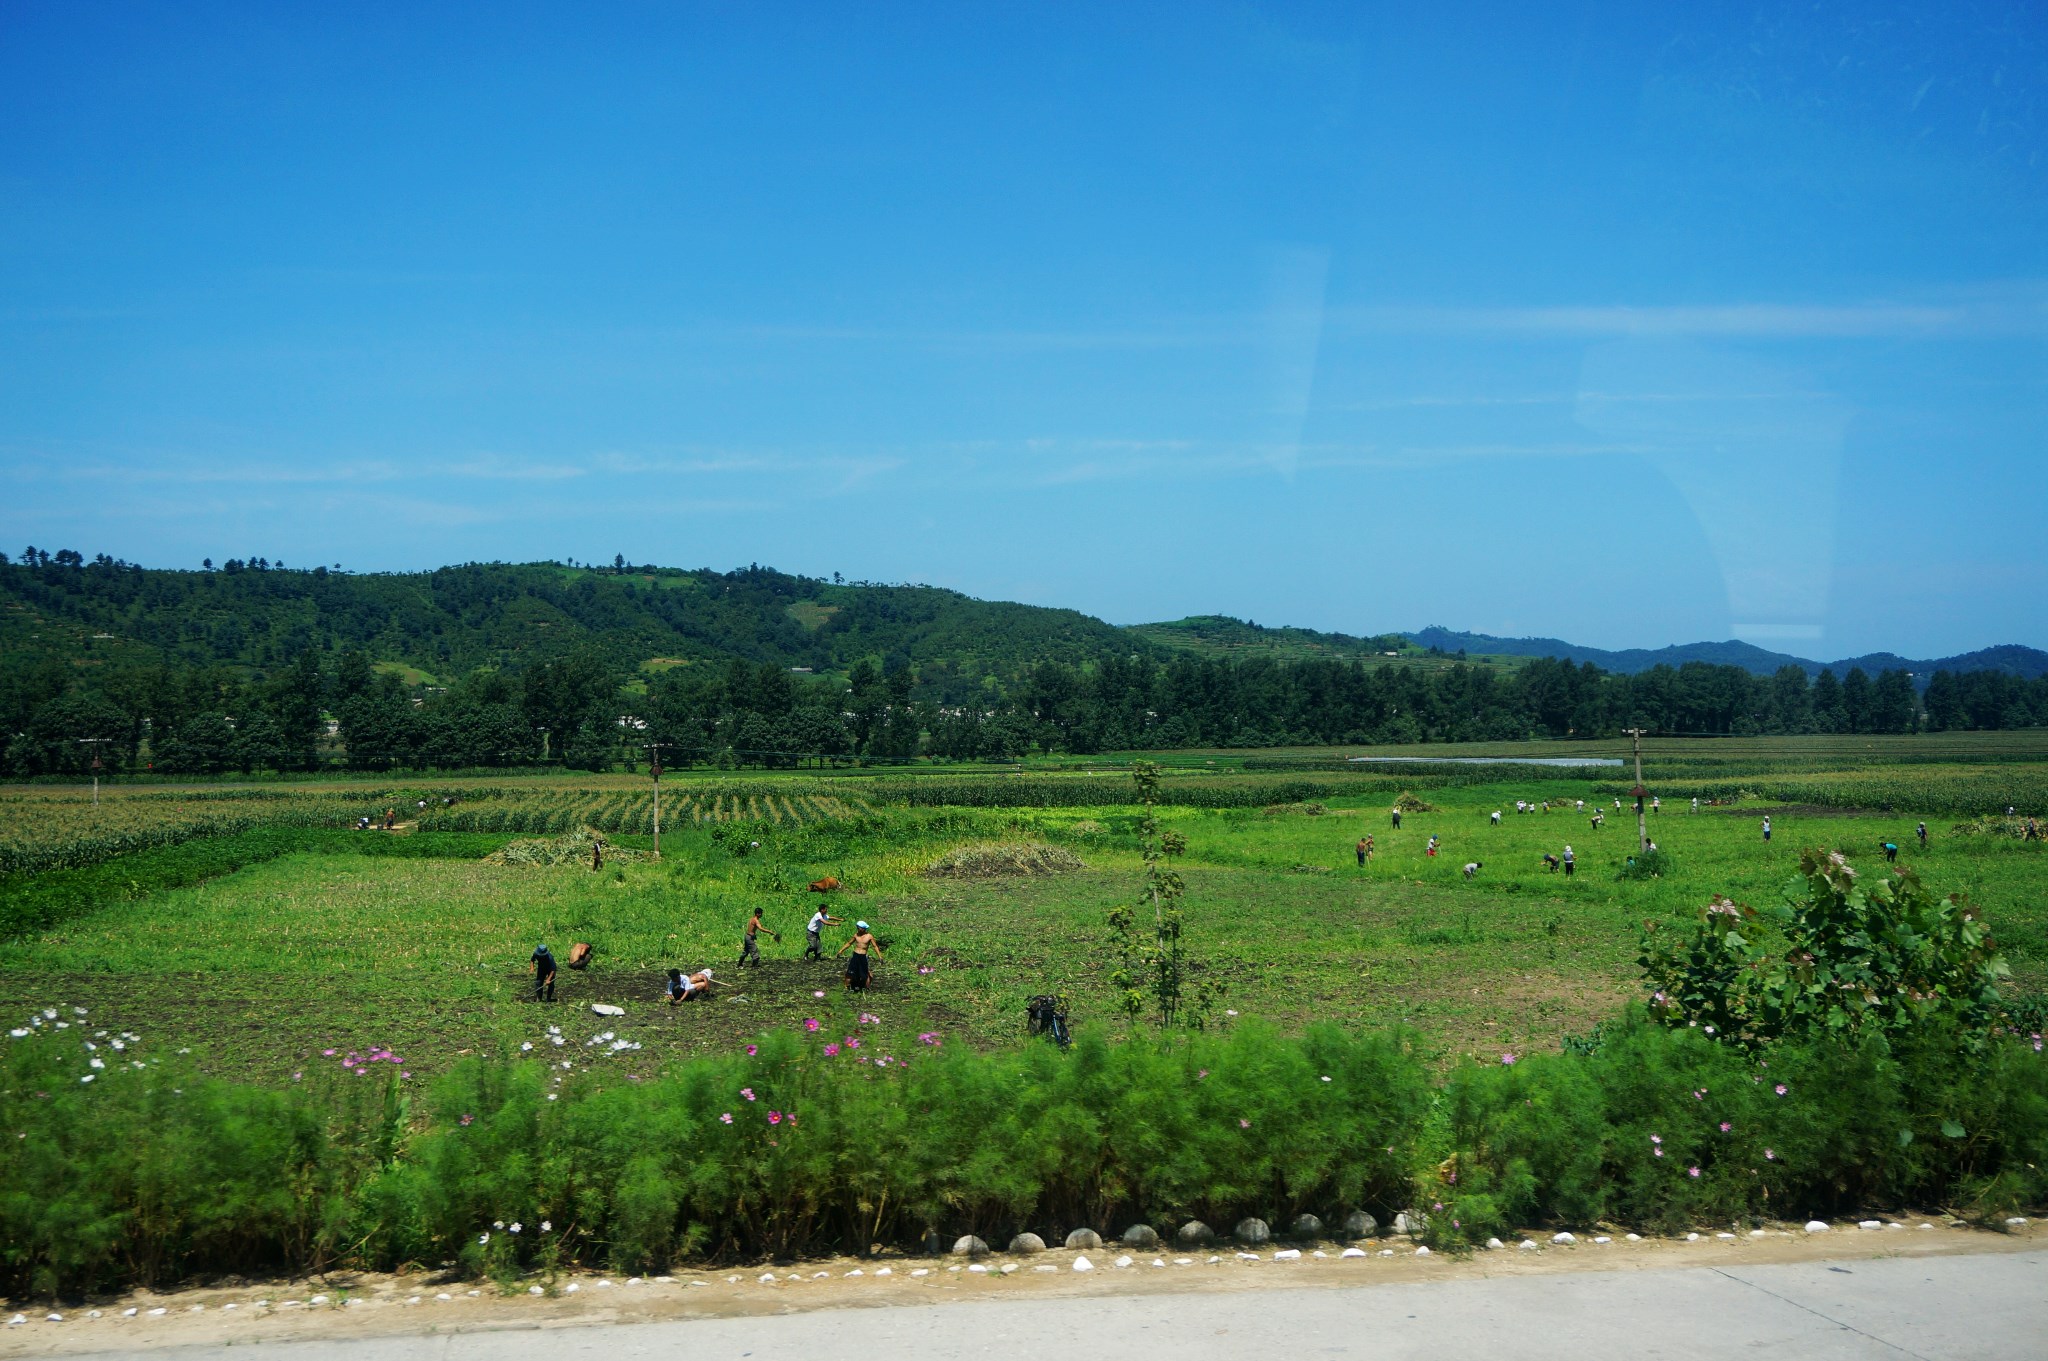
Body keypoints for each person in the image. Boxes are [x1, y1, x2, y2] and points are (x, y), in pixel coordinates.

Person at [837, 920, 883, 992]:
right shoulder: (856, 935)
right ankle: (847, 987)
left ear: (863, 928)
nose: (858, 929)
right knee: (850, 972)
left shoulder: (869, 936)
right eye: (857, 928)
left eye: (859, 928)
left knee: (865, 973)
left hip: (863, 956)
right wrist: (841, 951)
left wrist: (880, 956)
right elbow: (849, 943)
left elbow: (875, 946)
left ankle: (867, 987)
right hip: (855, 955)